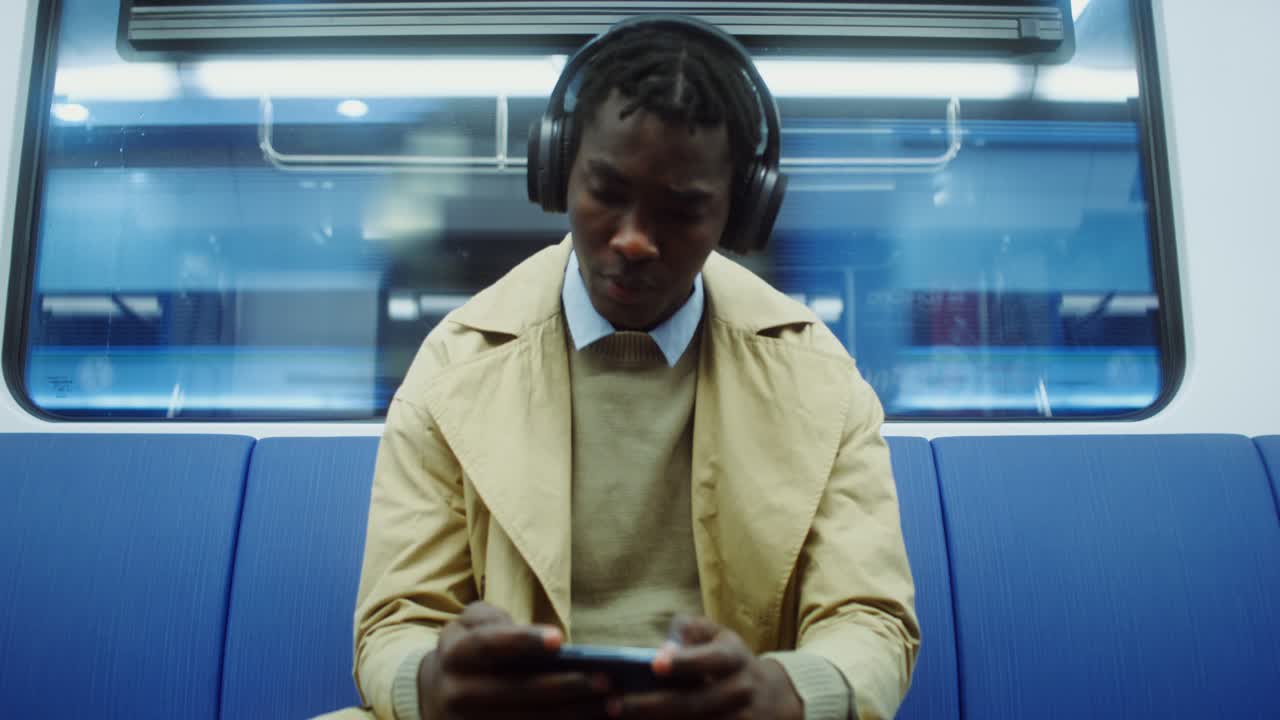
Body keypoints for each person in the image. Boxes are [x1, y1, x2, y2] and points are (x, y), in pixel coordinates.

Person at [337, 15, 920, 720]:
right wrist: (428, 686)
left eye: (682, 209)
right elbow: (397, 622)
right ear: (557, 170)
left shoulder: (818, 377)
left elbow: (870, 619)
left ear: (740, 214)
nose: (635, 239)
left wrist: (788, 693)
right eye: (607, 192)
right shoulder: (455, 362)